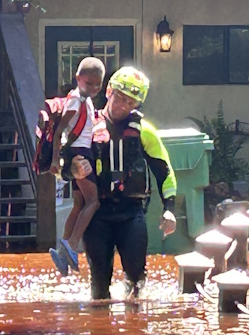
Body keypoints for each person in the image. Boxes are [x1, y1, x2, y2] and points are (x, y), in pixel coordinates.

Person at [66, 66, 178, 300]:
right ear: (109, 92)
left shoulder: (144, 132)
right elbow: (60, 165)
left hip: (131, 213)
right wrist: (73, 168)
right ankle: (100, 331)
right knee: (99, 283)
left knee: (136, 278)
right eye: (120, 99)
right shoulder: (87, 127)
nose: (123, 107)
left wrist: (169, 210)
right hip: (97, 214)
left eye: (131, 103)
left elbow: (164, 171)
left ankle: (134, 328)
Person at [48, 57, 105, 274]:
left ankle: (63, 248)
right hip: (80, 155)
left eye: (97, 84)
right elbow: (59, 131)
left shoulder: (84, 99)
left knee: (79, 202)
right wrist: (55, 159)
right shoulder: (75, 101)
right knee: (93, 201)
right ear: (78, 78)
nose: (93, 88)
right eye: (89, 83)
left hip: (79, 152)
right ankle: (71, 245)